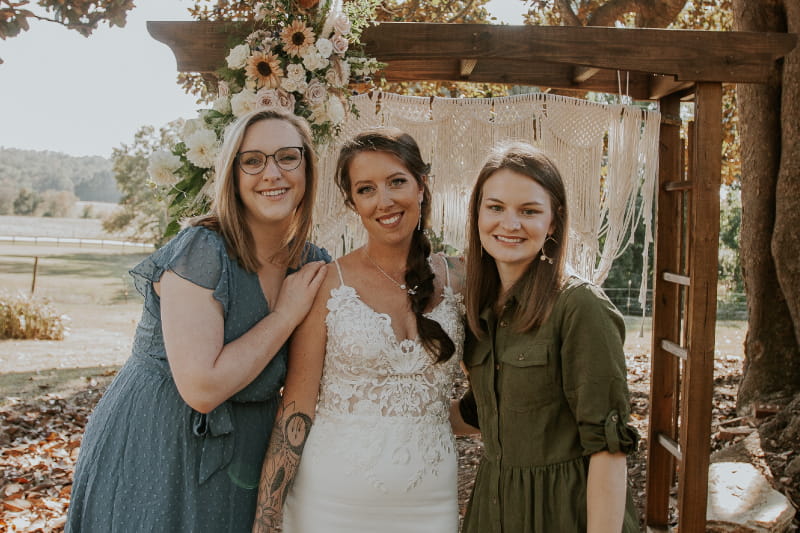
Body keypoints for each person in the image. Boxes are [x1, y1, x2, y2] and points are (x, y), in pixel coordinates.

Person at [66, 108, 330, 532]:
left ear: (307, 166)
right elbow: (202, 387)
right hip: (159, 442)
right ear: (233, 173)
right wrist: (284, 314)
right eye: (253, 160)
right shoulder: (202, 251)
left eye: (287, 156)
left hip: (250, 450)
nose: (272, 173)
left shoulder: (313, 264)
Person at [252, 128, 465, 533]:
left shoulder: (460, 279)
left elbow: (493, 386)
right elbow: (296, 407)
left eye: (397, 182)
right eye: (366, 189)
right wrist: (266, 519)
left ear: (421, 185)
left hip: (432, 504)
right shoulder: (327, 284)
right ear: (353, 203)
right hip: (330, 503)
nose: (384, 201)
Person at [451, 141, 640, 532]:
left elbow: (608, 448)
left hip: (563, 514)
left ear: (553, 222)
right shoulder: (482, 307)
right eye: (496, 207)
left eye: (529, 211)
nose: (510, 224)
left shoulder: (579, 307)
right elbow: (485, 413)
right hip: (493, 512)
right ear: (477, 214)